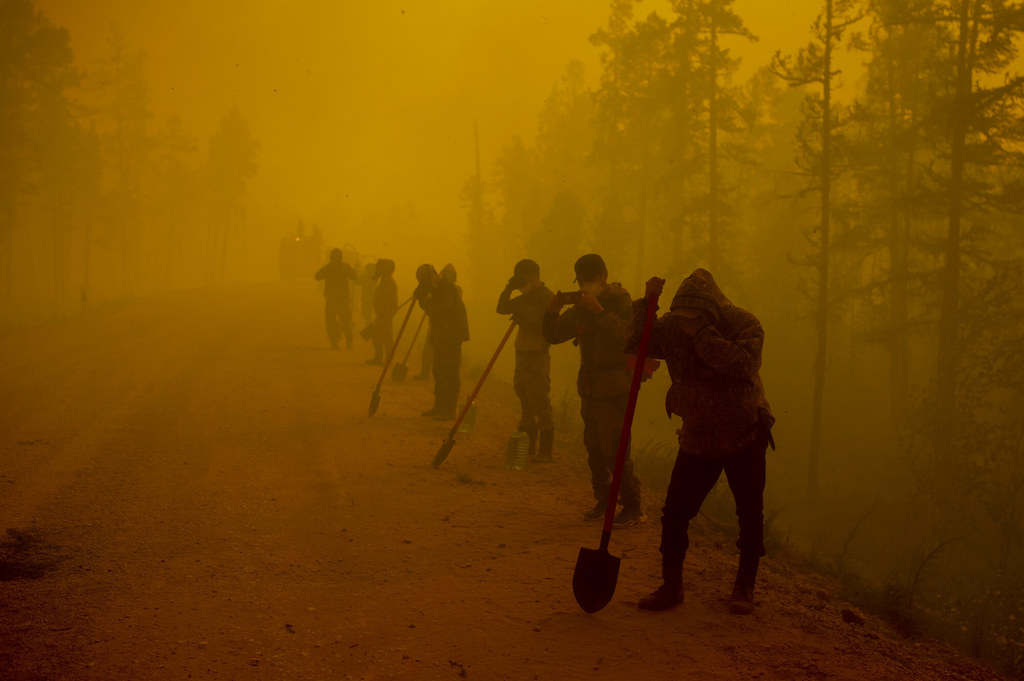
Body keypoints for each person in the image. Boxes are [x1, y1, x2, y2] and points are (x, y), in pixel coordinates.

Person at [628, 269, 775, 615]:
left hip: (745, 434)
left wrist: (704, 336)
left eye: (693, 317)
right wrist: (647, 306)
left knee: (750, 514)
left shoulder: (743, 324)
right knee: (676, 512)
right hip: (697, 435)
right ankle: (671, 585)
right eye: (682, 317)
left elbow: (743, 364)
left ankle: (744, 588)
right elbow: (638, 343)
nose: (685, 323)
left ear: (710, 312)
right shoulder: (672, 326)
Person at [542, 254, 644, 525]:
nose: (586, 286)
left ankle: (632, 504)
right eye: (582, 281)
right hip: (589, 388)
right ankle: (603, 498)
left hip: (614, 388)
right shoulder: (580, 307)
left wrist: (599, 310)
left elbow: (628, 335)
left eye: (591, 280)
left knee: (615, 447)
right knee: (594, 447)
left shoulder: (619, 301)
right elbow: (554, 336)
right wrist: (551, 312)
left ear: (604, 276)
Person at [497, 259, 555, 461]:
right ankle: (528, 444)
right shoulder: (524, 297)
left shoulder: (547, 298)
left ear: (534, 276)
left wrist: (522, 317)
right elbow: (502, 308)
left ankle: (546, 450)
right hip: (522, 351)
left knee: (539, 396)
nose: (522, 284)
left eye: (524, 279)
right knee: (522, 392)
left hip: (538, 353)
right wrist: (509, 288)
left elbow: (543, 325)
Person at [415, 263, 469, 421]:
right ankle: (439, 407)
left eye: (425, 281)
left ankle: (449, 410)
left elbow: (438, 310)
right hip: (441, 336)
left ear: (431, 276)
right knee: (438, 370)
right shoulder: (439, 288)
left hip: (451, 338)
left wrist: (424, 301)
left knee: (450, 372)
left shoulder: (446, 288)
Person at [314, 248, 357, 350]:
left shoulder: (329, 268)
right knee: (345, 321)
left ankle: (334, 343)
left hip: (332, 299)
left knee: (331, 322)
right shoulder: (345, 267)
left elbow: (317, 276)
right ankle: (348, 343)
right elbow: (355, 277)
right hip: (343, 300)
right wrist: (353, 269)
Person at [368, 259, 397, 366]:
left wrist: (384, 315)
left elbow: (387, 300)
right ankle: (379, 358)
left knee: (386, 338)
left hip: (384, 315)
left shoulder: (387, 281)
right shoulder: (384, 280)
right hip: (382, 314)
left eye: (379, 268)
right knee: (378, 337)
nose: (377, 270)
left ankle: (386, 360)